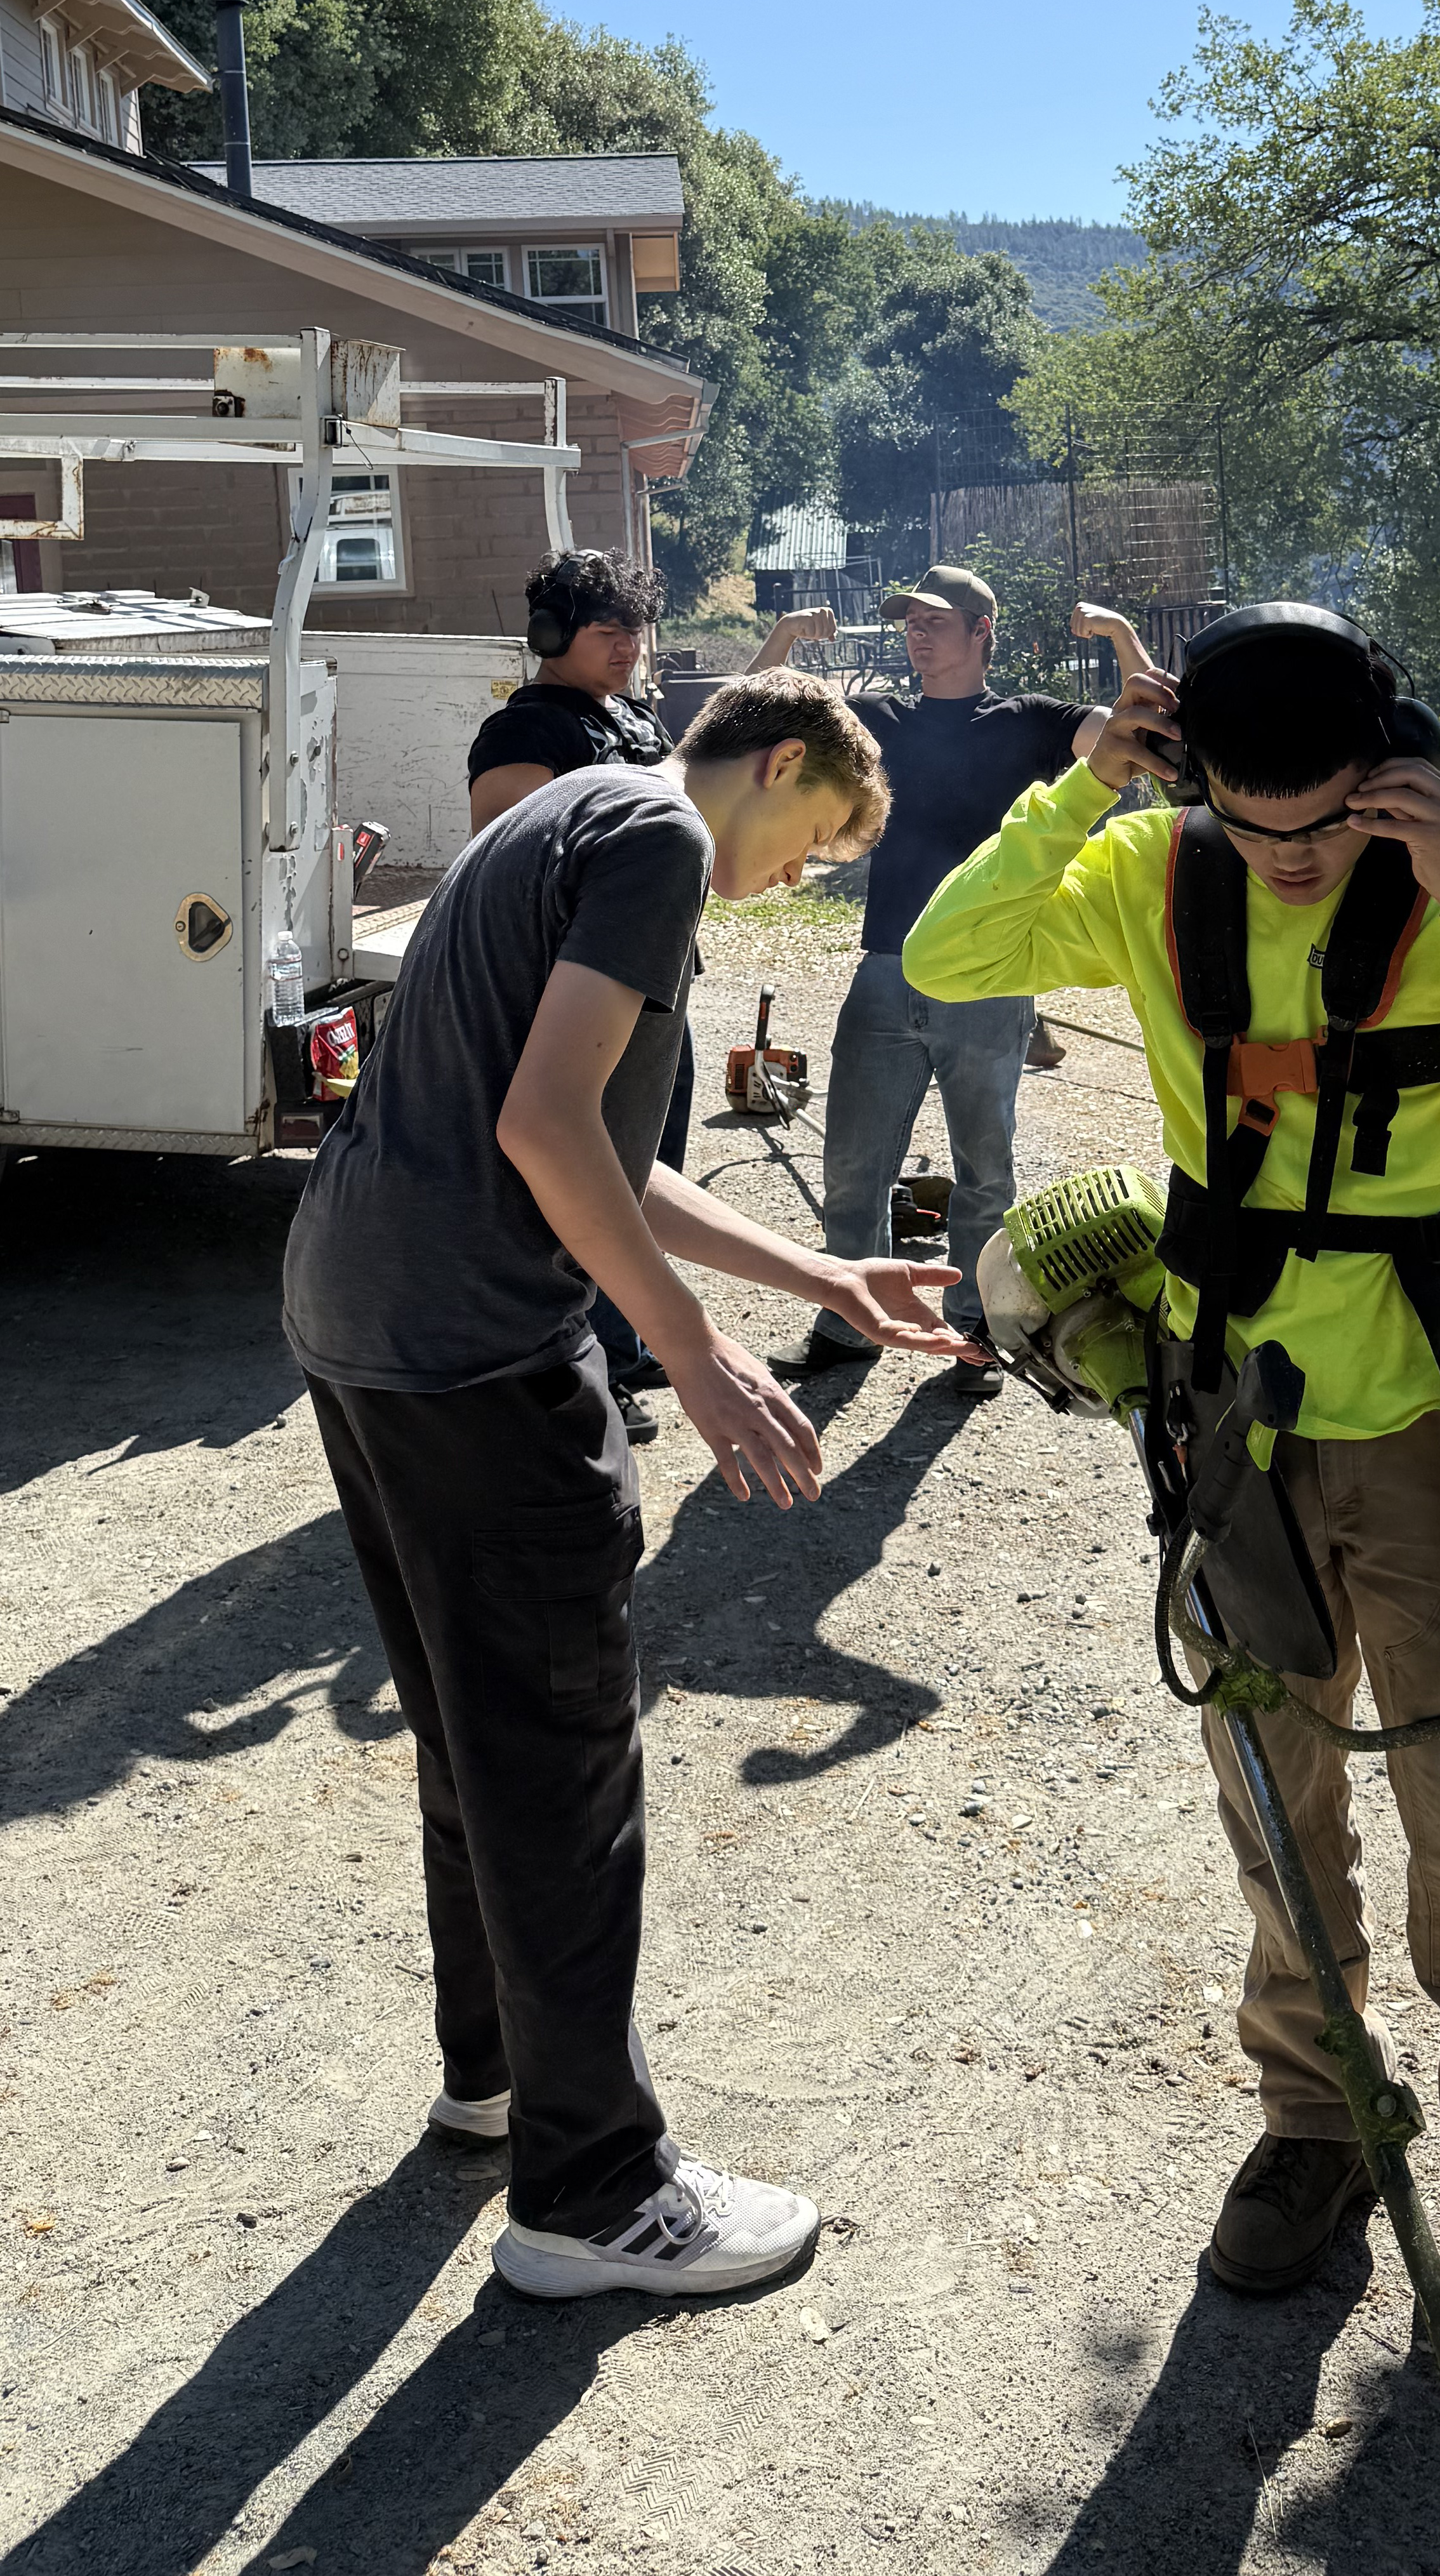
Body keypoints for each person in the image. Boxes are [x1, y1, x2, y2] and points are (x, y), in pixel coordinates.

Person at [901, 607, 1440, 2359]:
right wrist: (1075, 784)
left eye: (1323, 828)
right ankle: (1313, 2125)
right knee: (1267, 1780)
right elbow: (947, 955)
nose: (1293, 865)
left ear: (1386, 772)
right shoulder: (1159, 871)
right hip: (1230, 1409)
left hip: (1429, 1417)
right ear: (1197, 782)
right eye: (1257, 828)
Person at [286, 670, 965, 2302]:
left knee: (473, 1721)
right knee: (565, 1757)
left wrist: (816, 1278)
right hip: (473, 1348)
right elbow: (544, 1128)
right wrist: (696, 1351)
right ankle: (590, 2194)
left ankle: (500, 2080)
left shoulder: (564, 818)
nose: (802, 874)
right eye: (818, 840)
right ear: (782, 761)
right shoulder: (659, 839)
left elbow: (597, 1139)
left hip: (356, 1316)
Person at [465, 549, 837, 1444]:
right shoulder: (525, 736)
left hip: (654, 984)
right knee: (589, 1173)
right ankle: (585, 1363)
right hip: (579, 995)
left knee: (644, 1167)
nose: (628, 646)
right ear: (552, 635)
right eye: (606, 630)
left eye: (636, 628)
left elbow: (711, 765)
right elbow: (527, 877)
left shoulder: (625, 718)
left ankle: (625, 1344)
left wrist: (780, 647)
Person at [769, 564, 1120, 1399]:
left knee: (985, 1169)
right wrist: (784, 642)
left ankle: (976, 1337)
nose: (916, 634)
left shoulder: (1031, 720)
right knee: (854, 1162)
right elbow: (745, 727)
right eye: (908, 623)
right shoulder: (880, 718)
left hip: (991, 976)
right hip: (886, 968)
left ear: (981, 632)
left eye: (935, 621)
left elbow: (1132, 739)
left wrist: (1118, 639)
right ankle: (847, 1325)